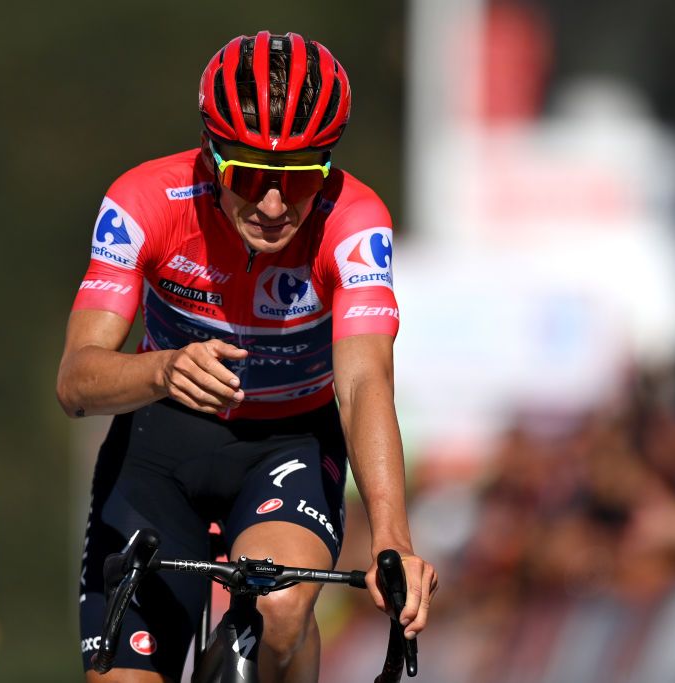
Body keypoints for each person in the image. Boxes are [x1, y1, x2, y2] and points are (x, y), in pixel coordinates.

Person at [57, 31, 438, 683]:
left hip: (287, 443)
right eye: (250, 176)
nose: (271, 204)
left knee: (281, 607)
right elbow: (75, 381)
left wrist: (392, 534)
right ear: (211, 156)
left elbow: (366, 382)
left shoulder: (354, 220)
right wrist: (162, 368)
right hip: (161, 443)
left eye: (295, 181)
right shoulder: (144, 201)